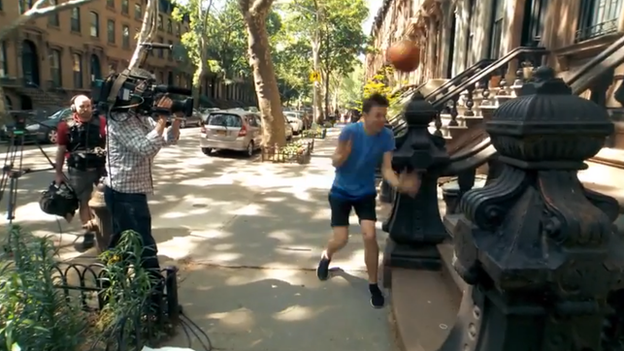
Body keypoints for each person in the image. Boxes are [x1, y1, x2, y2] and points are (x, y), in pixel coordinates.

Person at [316, 93, 420, 308]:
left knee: (370, 234)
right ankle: (327, 254)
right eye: (377, 115)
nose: (382, 119)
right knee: (341, 239)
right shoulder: (350, 132)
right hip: (341, 191)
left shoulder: (387, 136)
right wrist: (343, 156)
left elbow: (386, 169)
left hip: (365, 192)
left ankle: (373, 285)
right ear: (365, 116)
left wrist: (399, 184)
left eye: (384, 115)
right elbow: (335, 161)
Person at [102, 82, 181, 276]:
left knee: (123, 245)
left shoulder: (139, 118)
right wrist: (162, 119)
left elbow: (168, 139)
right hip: (123, 194)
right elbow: (146, 148)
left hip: (133, 191)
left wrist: (176, 119)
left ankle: (112, 286)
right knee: (145, 245)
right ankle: (154, 297)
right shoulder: (120, 120)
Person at [55, 95, 106, 251]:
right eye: (81, 106)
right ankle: (89, 234)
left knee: (106, 201)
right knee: (84, 203)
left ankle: (107, 230)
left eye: (88, 105)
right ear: (74, 108)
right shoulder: (65, 126)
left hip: (100, 168)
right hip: (78, 170)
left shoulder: (102, 122)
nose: (85, 109)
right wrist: (58, 173)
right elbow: (61, 150)